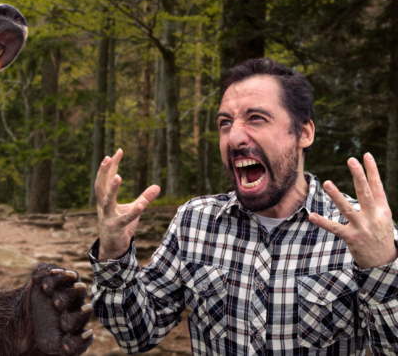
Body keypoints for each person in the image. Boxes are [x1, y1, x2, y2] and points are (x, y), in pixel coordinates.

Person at [89, 58, 398, 355]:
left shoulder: (362, 232)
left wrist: (381, 268)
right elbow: (135, 333)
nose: (234, 137)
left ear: (303, 133)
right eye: (225, 123)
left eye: (256, 118)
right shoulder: (195, 222)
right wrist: (113, 253)